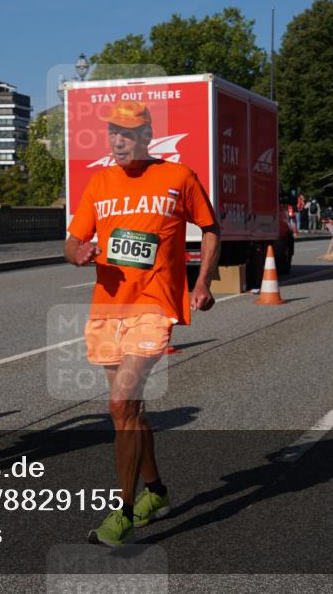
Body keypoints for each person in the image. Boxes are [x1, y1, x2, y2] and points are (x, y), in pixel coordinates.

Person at [64, 100, 220, 546]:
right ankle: (157, 492)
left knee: (120, 403)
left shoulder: (178, 177)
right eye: (113, 131)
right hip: (107, 307)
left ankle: (124, 513)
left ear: (147, 136)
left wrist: (203, 281)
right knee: (128, 413)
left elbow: (210, 228)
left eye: (128, 133)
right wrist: (78, 253)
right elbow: (72, 241)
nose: (118, 140)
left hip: (154, 306)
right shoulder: (100, 182)